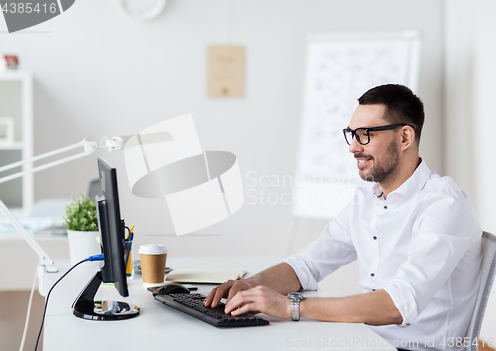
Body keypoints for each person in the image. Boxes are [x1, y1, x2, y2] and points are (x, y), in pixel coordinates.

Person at [203, 84, 483, 350]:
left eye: (366, 134)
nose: (353, 147)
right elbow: (307, 265)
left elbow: (399, 304)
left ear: (405, 137)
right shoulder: (367, 199)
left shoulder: (443, 204)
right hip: (364, 339)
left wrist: (291, 307)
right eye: (352, 134)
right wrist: (252, 285)